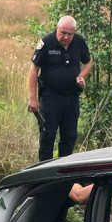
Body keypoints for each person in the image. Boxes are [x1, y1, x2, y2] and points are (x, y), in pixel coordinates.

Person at [28, 15, 93, 161]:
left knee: (69, 136)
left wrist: (81, 76)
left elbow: (88, 62)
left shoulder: (79, 42)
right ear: (57, 29)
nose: (66, 37)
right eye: (63, 32)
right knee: (48, 136)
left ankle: (64, 172)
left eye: (70, 34)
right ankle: (45, 172)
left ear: (74, 33)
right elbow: (33, 70)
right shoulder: (46, 43)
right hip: (50, 97)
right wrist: (32, 98)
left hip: (71, 98)